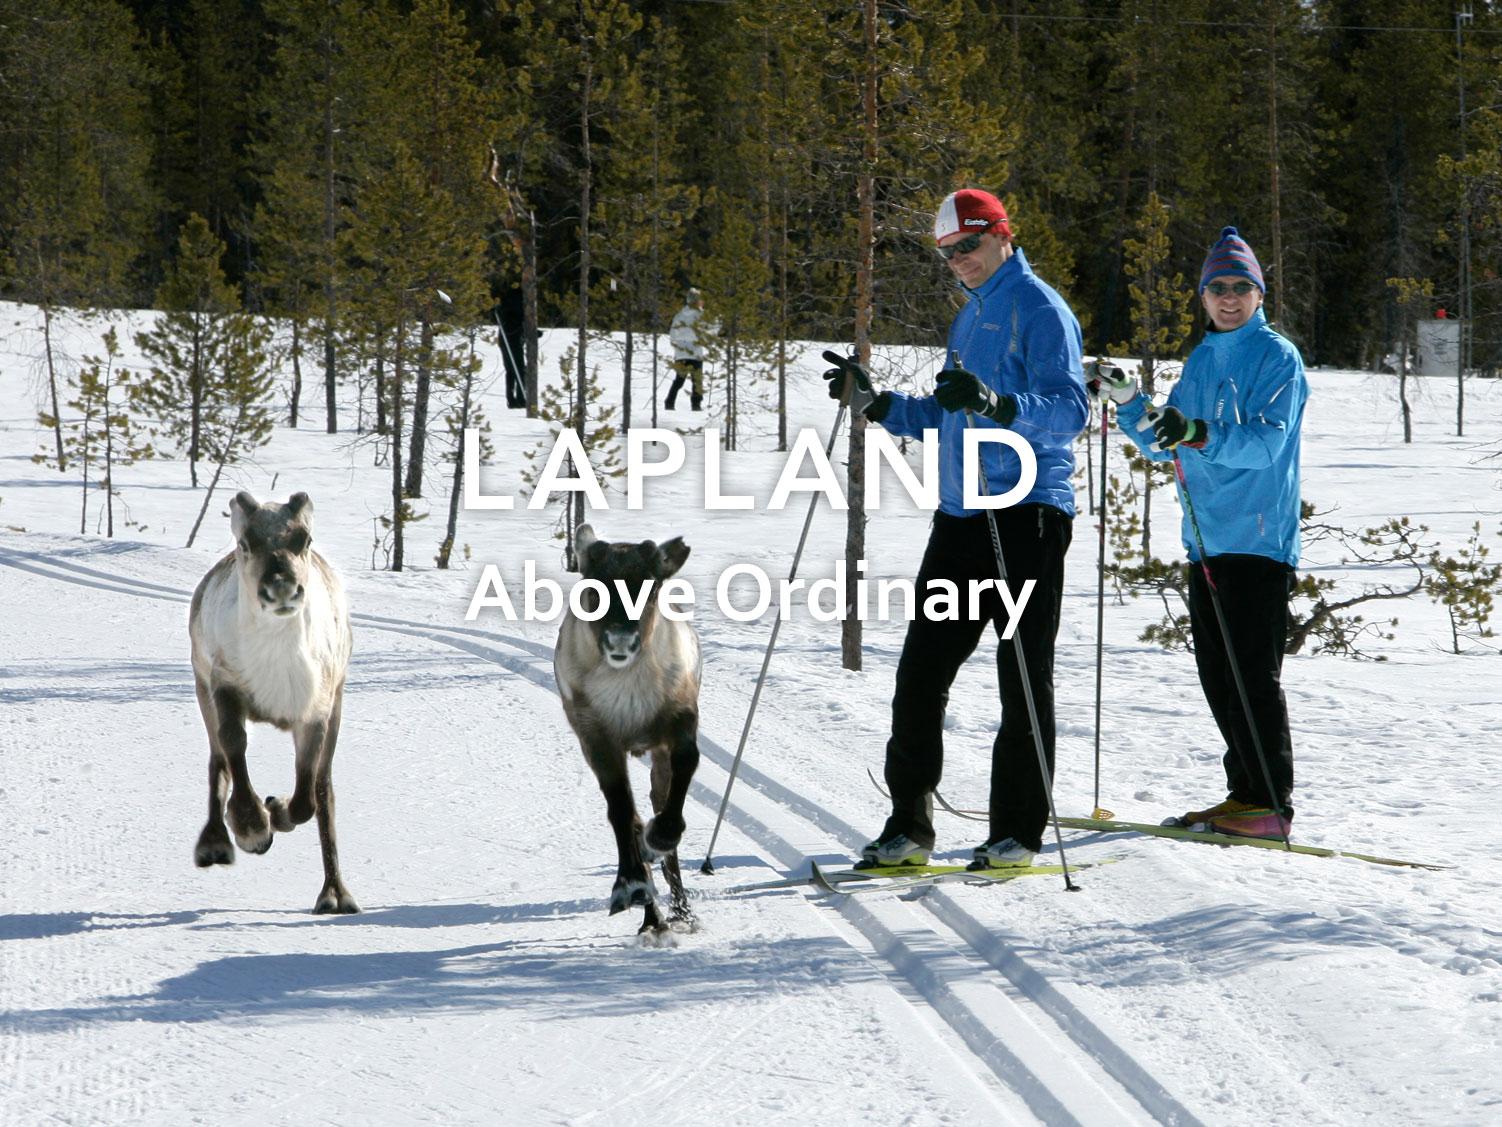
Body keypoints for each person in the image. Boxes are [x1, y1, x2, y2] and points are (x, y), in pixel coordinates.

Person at [822, 188, 1088, 871]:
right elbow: (949, 413)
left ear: (1002, 234)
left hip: (1027, 512)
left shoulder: (1040, 307)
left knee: (1022, 674)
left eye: (968, 245)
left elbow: (1069, 409)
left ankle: (1018, 833)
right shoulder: (969, 320)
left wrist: (1001, 404)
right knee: (920, 671)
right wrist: (878, 403)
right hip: (962, 514)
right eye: (947, 253)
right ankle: (909, 824)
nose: (959, 262)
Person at [1097, 225, 1307, 840]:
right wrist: (1133, 403)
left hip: (1258, 538)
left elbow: (1267, 444)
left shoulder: (1277, 356)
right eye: (1218, 287)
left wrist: (1196, 432)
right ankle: (1246, 796)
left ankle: (1270, 802)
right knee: (1220, 675)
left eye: (1242, 286)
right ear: (1203, 296)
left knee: (1251, 674)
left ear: (1260, 294)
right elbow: (1167, 442)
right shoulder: (1202, 359)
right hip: (1207, 539)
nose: (1230, 297)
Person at [666, 288, 710, 411]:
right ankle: (696, 405)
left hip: (681, 354)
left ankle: (669, 402)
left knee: (679, 380)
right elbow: (709, 332)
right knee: (697, 381)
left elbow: (673, 334)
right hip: (696, 354)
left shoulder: (679, 315)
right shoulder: (702, 315)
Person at [497, 287, 528, 409]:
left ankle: (513, 399)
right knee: (517, 370)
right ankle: (519, 399)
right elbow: (515, 324)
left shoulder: (510, 301)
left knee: (512, 371)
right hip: (510, 340)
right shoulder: (516, 301)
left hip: (507, 339)